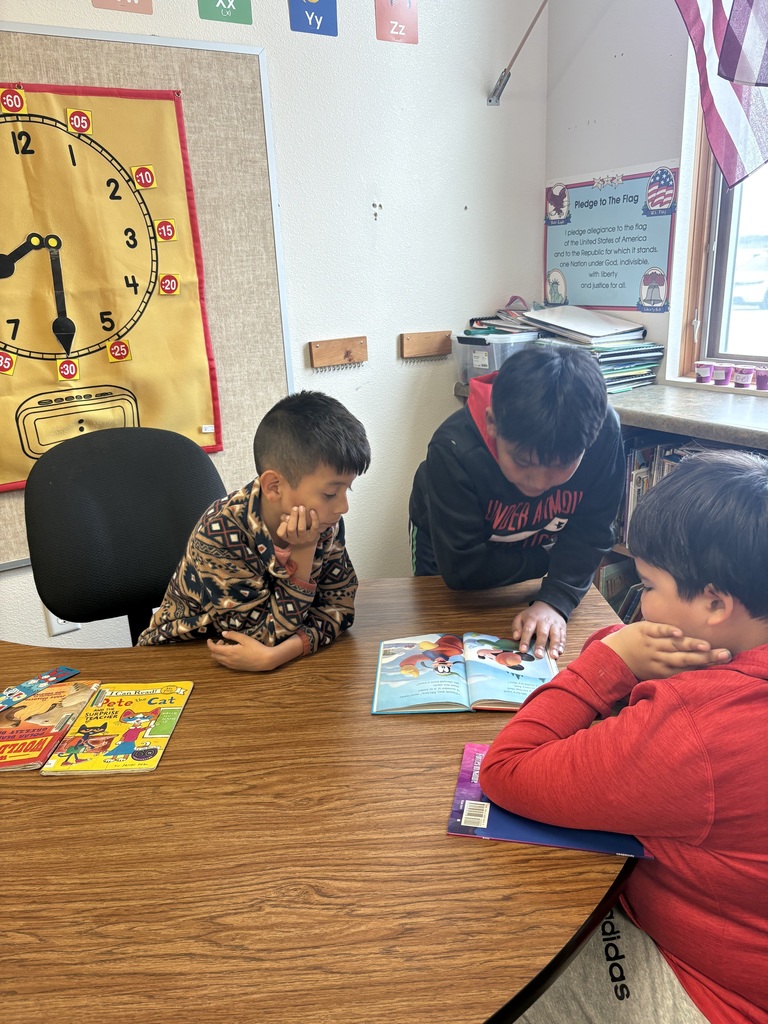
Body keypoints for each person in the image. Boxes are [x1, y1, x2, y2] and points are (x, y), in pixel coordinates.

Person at [479, 450, 768, 1024]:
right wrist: (626, 644)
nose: (641, 606)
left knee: (485, 954)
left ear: (715, 603)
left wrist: (610, 657)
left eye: (648, 586)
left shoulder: (699, 729)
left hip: (713, 995)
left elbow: (505, 768)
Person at [409, 344, 625, 660]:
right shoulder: (453, 449)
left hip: (536, 546)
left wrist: (555, 600)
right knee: (439, 643)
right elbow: (461, 570)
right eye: (522, 460)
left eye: (560, 466)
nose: (537, 484)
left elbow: (592, 531)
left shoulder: (603, 432)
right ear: (493, 424)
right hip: (455, 555)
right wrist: (553, 554)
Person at [138, 391, 371, 672]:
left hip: (261, 662)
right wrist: (304, 553)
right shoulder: (218, 533)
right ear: (274, 486)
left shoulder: (322, 521)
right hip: (184, 658)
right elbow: (258, 637)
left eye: (347, 489)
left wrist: (279, 656)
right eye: (331, 492)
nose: (343, 507)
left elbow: (340, 607)